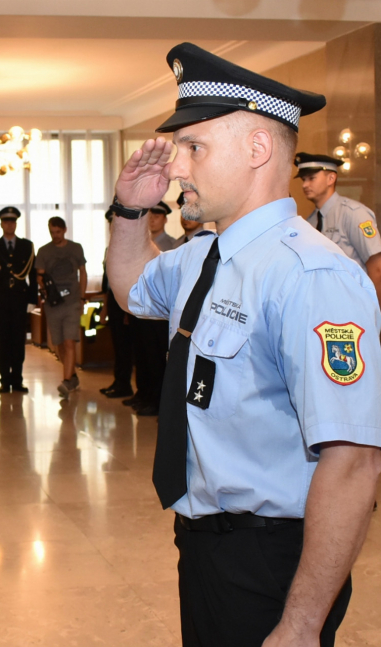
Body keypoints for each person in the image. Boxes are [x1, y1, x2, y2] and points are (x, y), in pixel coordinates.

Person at [107, 42, 381, 646]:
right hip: (202, 541)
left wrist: (301, 625)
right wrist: (130, 210)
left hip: (274, 562)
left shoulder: (313, 274)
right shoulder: (203, 254)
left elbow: (354, 462)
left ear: (258, 149)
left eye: (194, 147)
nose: (177, 168)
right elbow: (130, 291)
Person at [295, 151, 381, 304]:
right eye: (303, 179)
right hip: (329, 306)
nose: (305, 185)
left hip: (356, 305)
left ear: (331, 178)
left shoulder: (353, 214)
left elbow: (377, 268)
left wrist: (376, 315)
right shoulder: (311, 221)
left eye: (311, 178)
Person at [126, 199, 175, 416]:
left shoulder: (173, 245)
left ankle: (157, 401)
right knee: (143, 356)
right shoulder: (140, 246)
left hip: (160, 311)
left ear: (165, 219)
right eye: (150, 216)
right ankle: (145, 394)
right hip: (142, 308)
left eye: (157, 216)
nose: (153, 220)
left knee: (157, 358)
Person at [0, 206, 36, 393]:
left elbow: (33, 275)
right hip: (1, 299)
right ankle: (5, 380)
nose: (9, 224)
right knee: (3, 341)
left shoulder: (27, 246)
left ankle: (17, 379)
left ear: (16, 223)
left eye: (12, 221)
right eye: (6, 221)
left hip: (20, 298)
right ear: (1, 224)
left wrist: (32, 299)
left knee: (18, 341)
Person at [34, 216, 87, 397]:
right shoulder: (44, 251)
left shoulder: (75, 248)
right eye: (52, 232)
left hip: (72, 302)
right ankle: (71, 376)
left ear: (64, 230)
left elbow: (83, 272)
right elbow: (39, 276)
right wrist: (44, 285)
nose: (55, 235)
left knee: (69, 341)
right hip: (53, 304)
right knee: (59, 345)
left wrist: (81, 297)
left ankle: (66, 382)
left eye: (58, 232)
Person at [100, 208, 135, 398]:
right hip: (114, 301)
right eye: (110, 224)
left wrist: (129, 311)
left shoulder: (131, 248)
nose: (111, 227)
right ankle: (119, 382)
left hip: (127, 303)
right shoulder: (110, 249)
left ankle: (125, 385)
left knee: (126, 347)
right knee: (117, 345)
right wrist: (105, 307)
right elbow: (108, 283)